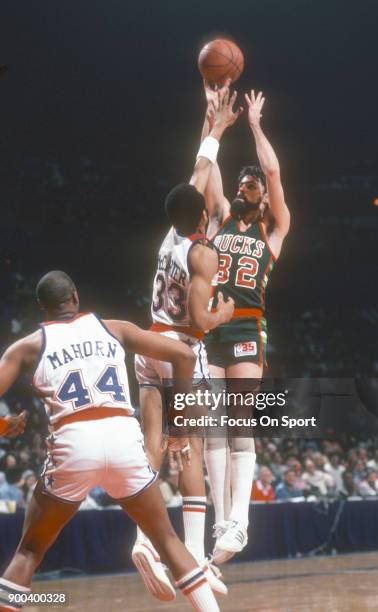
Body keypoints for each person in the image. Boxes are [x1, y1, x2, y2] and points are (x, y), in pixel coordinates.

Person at [0, 271, 220, 612]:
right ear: (75, 295)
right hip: (122, 437)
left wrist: (4, 425)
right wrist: (177, 426)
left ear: (41, 308)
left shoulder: (27, 346)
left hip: (74, 443)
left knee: (29, 551)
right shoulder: (114, 328)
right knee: (166, 540)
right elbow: (185, 357)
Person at [132, 86, 240, 598]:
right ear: (202, 216)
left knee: (153, 446)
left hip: (147, 346)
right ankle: (194, 558)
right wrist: (222, 312)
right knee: (190, 449)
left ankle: (143, 537)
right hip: (180, 353)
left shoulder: (168, 235)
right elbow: (200, 318)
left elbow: (197, 171)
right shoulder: (201, 253)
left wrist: (215, 127)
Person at [200, 81, 291, 563]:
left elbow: (274, 171)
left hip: (248, 328)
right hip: (211, 327)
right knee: (211, 428)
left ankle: (242, 520)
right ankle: (223, 523)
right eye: (242, 183)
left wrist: (254, 126)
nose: (243, 186)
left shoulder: (272, 229)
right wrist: (211, 119)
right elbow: (207, 166)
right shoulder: (217, 220)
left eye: (249, 185)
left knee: (239, 424)